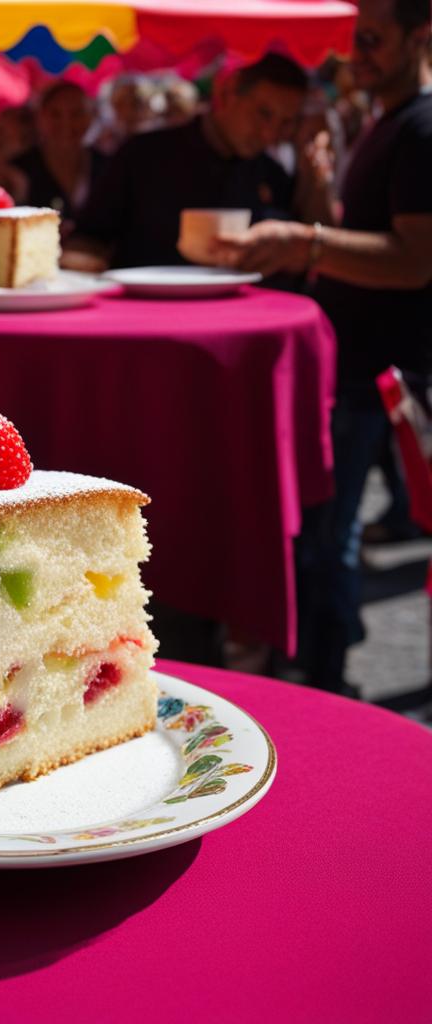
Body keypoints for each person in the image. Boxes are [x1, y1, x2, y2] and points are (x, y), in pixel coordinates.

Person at [212, 0, 432, 693]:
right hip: (352, 360)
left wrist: (305, 242)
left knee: (327, 541)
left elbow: (412, 259)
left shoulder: (421, 126)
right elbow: (357, 235)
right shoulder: (382, 122)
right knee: (318, 534)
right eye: (352, 39)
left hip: (379, 369)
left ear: (419, 37)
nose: (356, 53)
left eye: (372, 39)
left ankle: (324, 683)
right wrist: (316, 190)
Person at [64, 53, 317, 271]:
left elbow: (304, 253)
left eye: (286, 122)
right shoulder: (144, 155)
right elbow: (88, 238)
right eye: (263, 114)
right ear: (227, 93)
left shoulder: (273, 174)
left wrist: (318, 184)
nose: (270, 134)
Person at [11, 81, 106, 233]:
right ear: (40, 118)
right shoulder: (18, 169)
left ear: (90, 117)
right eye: (55, 114)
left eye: (76, 114)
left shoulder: (108, 166)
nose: (66, 123)